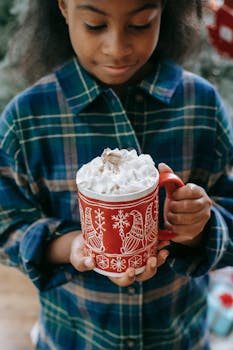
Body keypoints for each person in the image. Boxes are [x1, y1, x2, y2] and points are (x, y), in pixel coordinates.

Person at [0, 0, 233, 349]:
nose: (117, 48)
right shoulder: (28, 119)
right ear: (64, 7)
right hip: (73, 339)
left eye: (140, 24)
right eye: (95, 25)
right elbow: (6, 226)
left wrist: (200, 227)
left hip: (179, 337)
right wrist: (70, 247)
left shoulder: (201, 106)